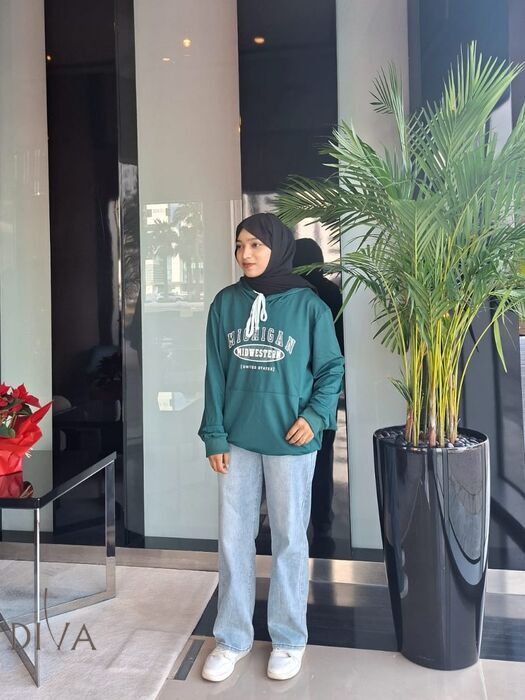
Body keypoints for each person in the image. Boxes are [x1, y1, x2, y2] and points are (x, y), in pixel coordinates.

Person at [197, 213, 345, 682]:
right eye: (240, 245)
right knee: (233, 540)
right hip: (237, 440)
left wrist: (314, 416)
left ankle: (288, 639)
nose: (245, 254)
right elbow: (215, 372)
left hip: (290, 442)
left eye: (256, 245)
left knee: (289, 540)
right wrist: (214, 433)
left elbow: (331, 369)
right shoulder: (225, 303)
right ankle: (232, 639)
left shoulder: (309, 306)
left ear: (277, 248)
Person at [293, 238, 345, 540]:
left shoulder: (293, 296)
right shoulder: (331, 292)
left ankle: (296, 519)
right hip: (326, 385)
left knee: (292, 456)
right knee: (323, 454)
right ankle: (322, 520)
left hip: (297, 386)